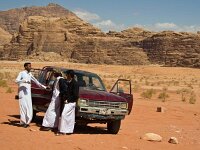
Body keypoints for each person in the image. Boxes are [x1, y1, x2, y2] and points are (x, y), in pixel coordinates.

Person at [15, 62, 46, 128]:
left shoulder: (30, 74)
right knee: (23, 107)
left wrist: (45, 87)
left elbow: (36, 82)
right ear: (25, 67)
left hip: (28, 94)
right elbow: (16, 81)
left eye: (30, 66)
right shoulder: (22, 73)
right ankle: (23, 122)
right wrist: (24, 81)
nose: (30, 67)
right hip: (22, 94)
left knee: (29, 107)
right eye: (29, 66)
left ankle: (27, 122)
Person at [56, 70, 79, 135]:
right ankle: (68, 130)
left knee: (64, 115)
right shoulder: (70, 82)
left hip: (71, 102)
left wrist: (68, 100)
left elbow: (75, 95)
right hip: (68, 102)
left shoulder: (75, 84)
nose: (66, 76)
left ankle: (63, 131)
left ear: (69, 75)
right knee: (69, 117)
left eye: (67, 74)